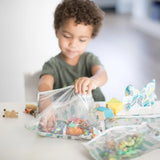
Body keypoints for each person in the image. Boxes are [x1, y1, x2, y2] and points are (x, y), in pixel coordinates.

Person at [38, 0, 108, 131]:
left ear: (91, 37)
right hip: (67, 122)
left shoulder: (89, 59)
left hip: (96, 118)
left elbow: (102, 75)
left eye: (82, 40)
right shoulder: (52, 65)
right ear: (57, 31)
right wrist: (46, 106)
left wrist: (93, 81)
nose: (73, 44)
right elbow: (44, 85)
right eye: (67, 36)